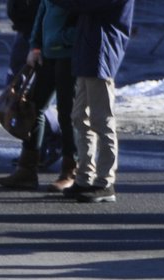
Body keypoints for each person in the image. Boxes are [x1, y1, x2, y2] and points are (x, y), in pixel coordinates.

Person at [0, 0, 77, 190]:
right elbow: (43, 11)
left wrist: (64, 39)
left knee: (68, 113)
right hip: (47, 53)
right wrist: (35, 46)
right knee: (32, 107)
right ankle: (27, 169)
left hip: (68, 55)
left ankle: (69, 171)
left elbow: (83, 20)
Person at [60, 0, 133, 203]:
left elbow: (85, 5)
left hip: (102, 51)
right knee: (80, 117)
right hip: (88, 50)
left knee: (101, 119)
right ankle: (84, 176)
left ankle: (105, 182)